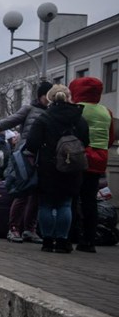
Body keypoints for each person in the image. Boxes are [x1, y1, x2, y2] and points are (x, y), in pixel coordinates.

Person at [0, 81, 52, 243]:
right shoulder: (28, 109)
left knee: (36, 194)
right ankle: (13, 228)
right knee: (22, 192)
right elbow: (6, 122)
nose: (50, 99)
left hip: (44, 156)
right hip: (26, 155)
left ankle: (30, 229)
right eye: (47, 96)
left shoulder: (52, 112)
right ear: (41, 95)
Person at [26, 84, 90, 253]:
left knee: (46, 204)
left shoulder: (44, 118)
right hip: (72, 168)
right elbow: (86, 141)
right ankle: (62, 242)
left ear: (50, 98)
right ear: (69, 97)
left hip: (48, 166)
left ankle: (47, 241)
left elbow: (31, 144)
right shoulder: (79, 118)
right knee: (65, 204)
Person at [67, 77, 115, 253]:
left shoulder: (76, 109)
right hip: (99, 158)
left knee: (72, 198)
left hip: (79, 157)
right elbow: (110, 138)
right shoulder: (106, 112)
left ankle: (69, 236)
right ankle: (89, 241)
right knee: (90, 201)